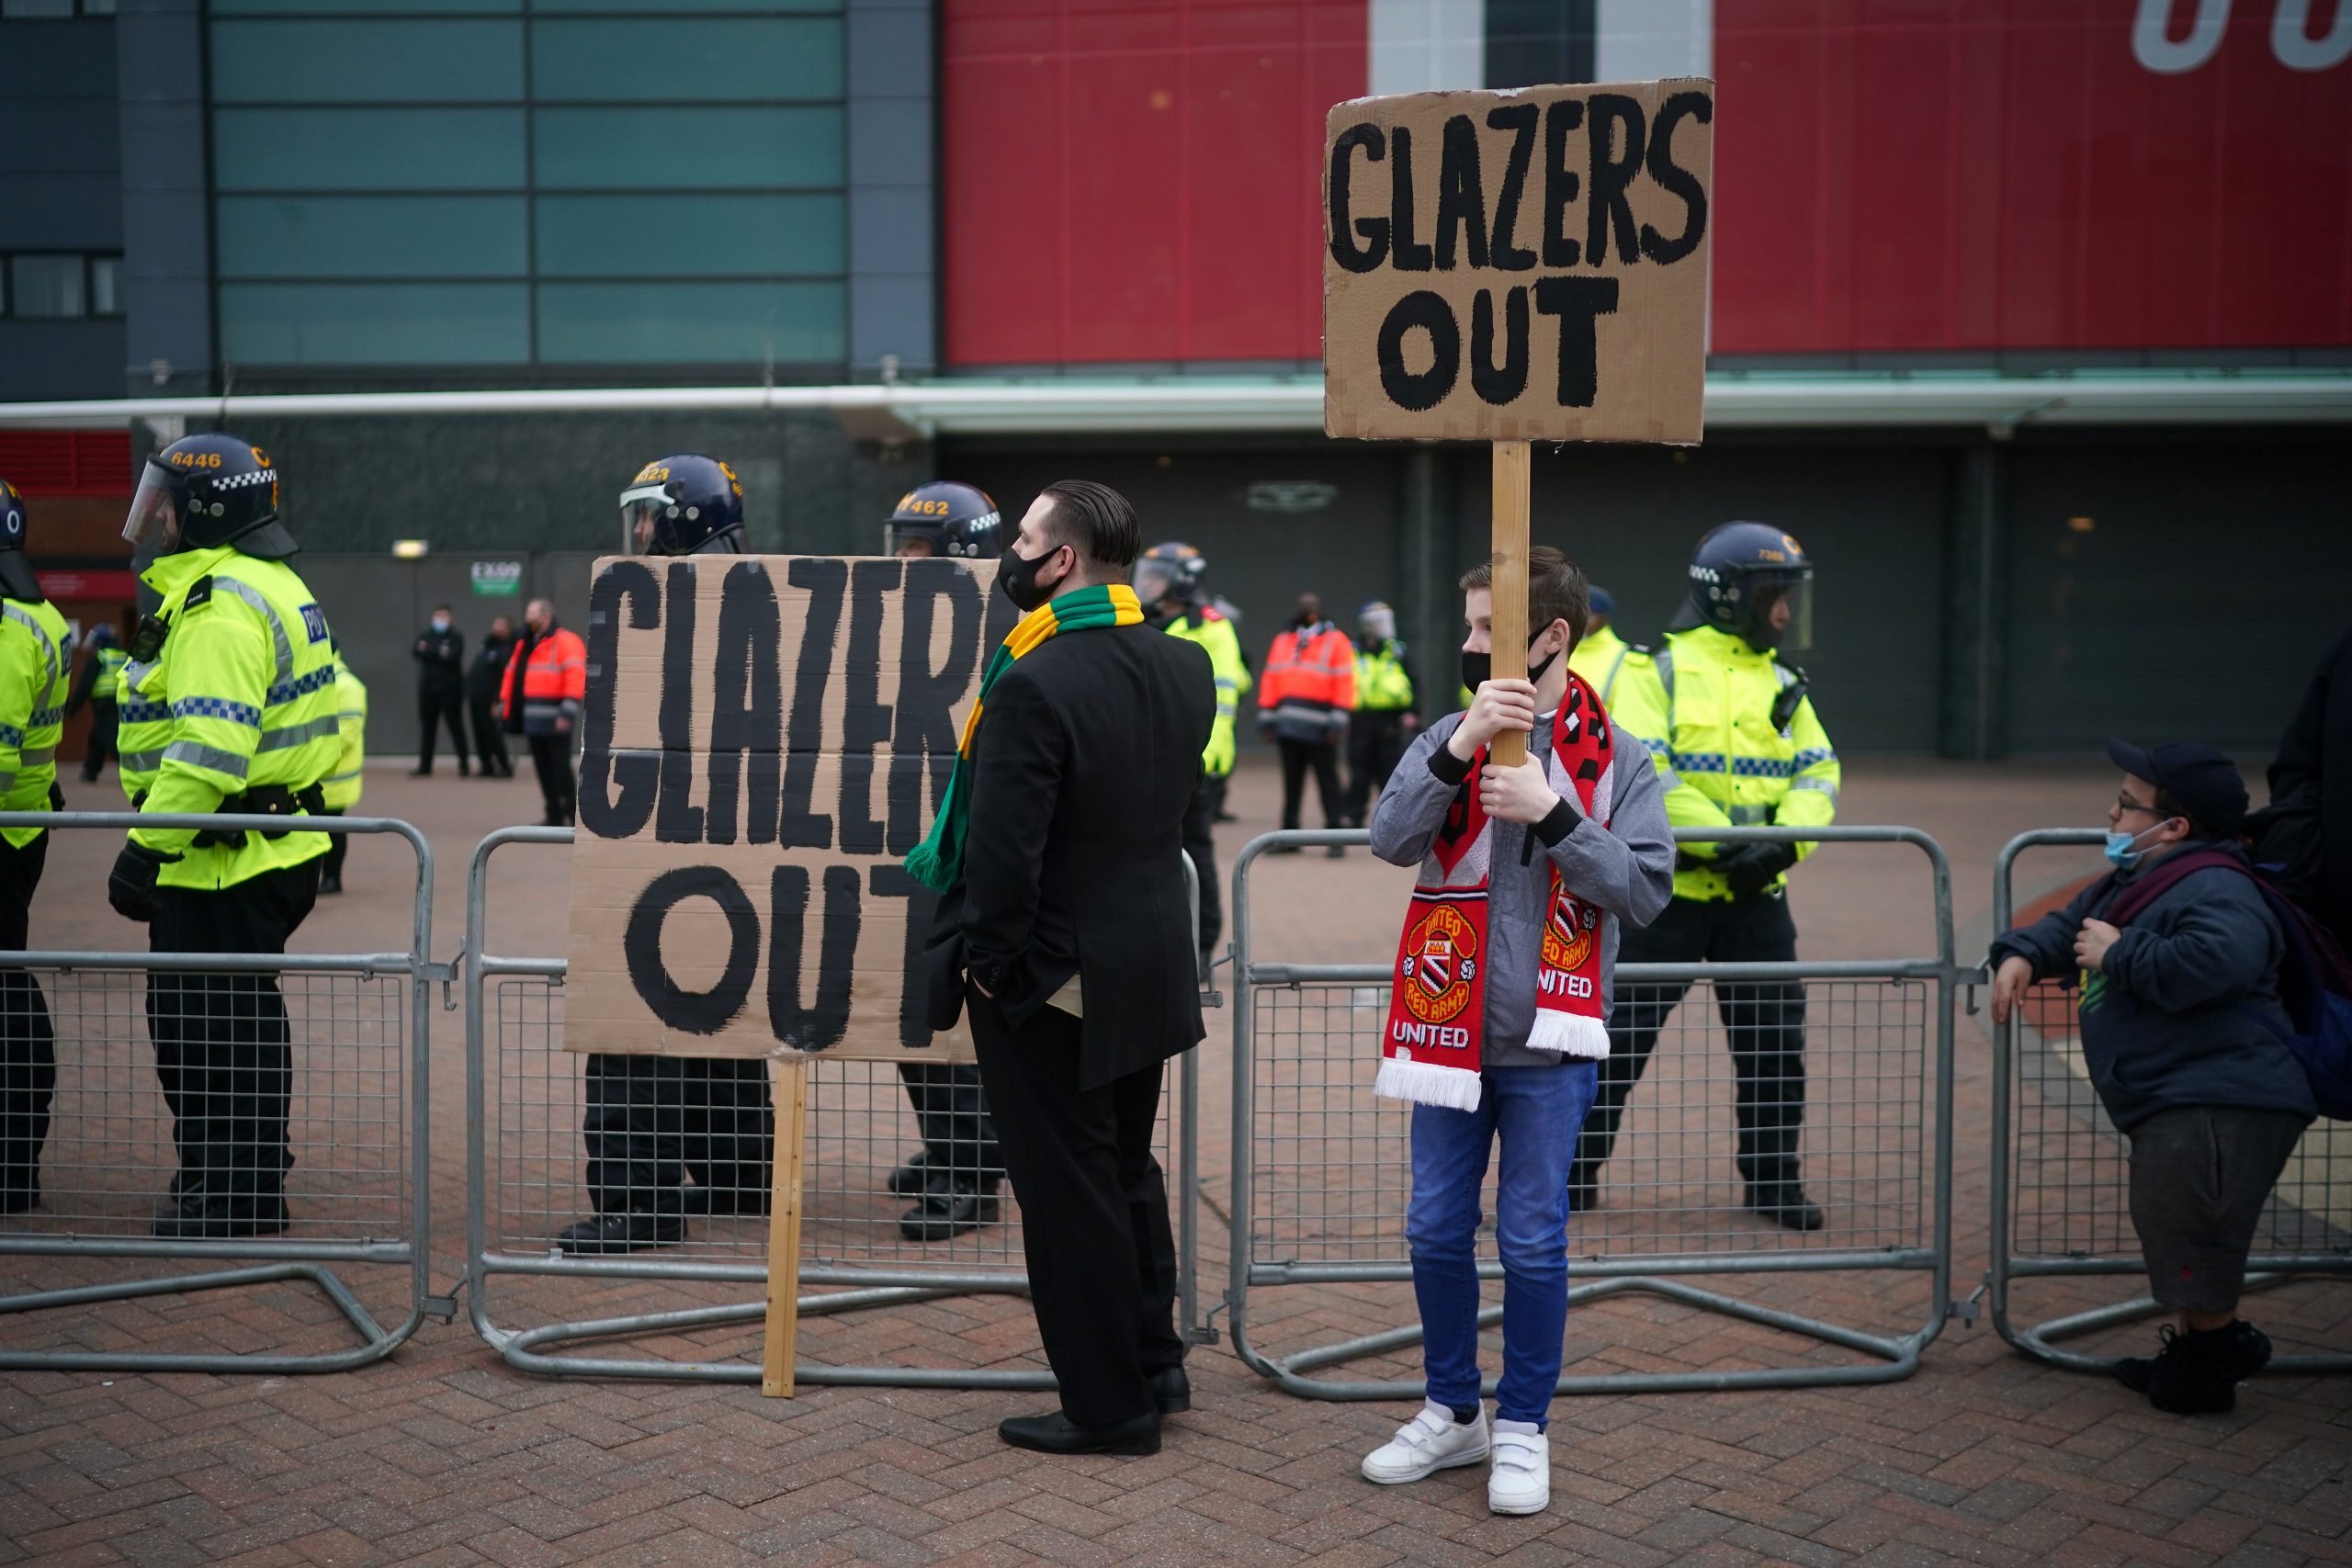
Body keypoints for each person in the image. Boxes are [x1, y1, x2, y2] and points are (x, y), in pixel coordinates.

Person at [1361, 547, 1672, 1515]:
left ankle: (1525, 1426)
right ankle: (1454, 1412)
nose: (1463, 645)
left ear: (1549, 638)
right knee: (1432, 1230)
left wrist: (1556, 815)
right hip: (1445, 1040)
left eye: (1481, 629)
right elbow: (1388, 838)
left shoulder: (1620, 759)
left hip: (1549, 1049)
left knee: (1534, 1243)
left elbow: (1646, 892)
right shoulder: (1447, 734)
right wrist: (1456, 755)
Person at [909, 479, 1214, 1456]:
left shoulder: (1032, 679)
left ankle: (1106, 1403)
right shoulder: (1185, 664)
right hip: (1148, 961)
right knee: (1124, 1166)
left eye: (1026, 537)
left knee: (1069, 1189)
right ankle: (1152, 1363)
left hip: (1054, 973)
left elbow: (1006, 856)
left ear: (1063, 562)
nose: (1011, 553)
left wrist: (993, 968)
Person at [1990, 740, 2314, 1416]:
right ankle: (2206, 1354)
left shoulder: (2216, 883)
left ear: (2176, 826)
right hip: (2179, 1095)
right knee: (2180, 1227)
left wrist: (2122, 951)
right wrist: (2023, 952)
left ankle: (2212, 1362)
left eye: (2128, 803)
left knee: (2196, 1235)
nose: (2111, 811)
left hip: (2220, 1097)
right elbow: (2072, 924)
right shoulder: (2137, 877)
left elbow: (2223, 959)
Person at [1571, 524, 1840, 1232]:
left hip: (1759, 899)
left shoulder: (1784, 679)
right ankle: (1570, 1175)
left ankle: (1775, 1181)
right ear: (1730, 596)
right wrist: (1727, 848)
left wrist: (1781, 849)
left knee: (1773, 1047)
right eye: (1774, 596)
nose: (1785, 612)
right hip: (1669, 896)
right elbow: (1650, 769)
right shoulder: (1651, 670)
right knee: (1615, 1041)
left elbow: (1819, 771)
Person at [105, 435, 342, 1240]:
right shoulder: (271, 583)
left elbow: (209, 751)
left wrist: (146, 847)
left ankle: (236, 1189)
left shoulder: (220, 603)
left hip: (222, 859)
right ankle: (230, 1173)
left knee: (206, 1030)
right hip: (262, 846)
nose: (155, 516)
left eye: (165, 502)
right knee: (231, 1020)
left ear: (206, 511)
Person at [554, 456, 774, 1254]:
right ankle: (739, 1173)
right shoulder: (754, 594)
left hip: (659, 842)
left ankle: (636, 1199)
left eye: (649, 517)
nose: (639, 532)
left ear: (684, 518)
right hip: (730, 846)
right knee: (720, 1015)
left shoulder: (672, 604)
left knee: (634, 1017)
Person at [881, 480, 1008, 1241]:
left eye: (918, 547)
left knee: (952, 1025)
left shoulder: (1005, 636)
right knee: (911, 1017)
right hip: (913, 847)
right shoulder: (895, 622)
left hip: (963, 850)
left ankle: (972, 1177)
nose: (901, 558)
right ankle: (946, 1150)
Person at [0, 478, 70, 1213]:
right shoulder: (37, 613)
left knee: (7, 996)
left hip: (6, 828)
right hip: (23, 825)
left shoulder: (6, 628)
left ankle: (12, 1160)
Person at [1135, 540, 1250, 968]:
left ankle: (1201, 945)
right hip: (1140, 761)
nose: (1145, 585)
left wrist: (1207, 758)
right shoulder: (1140, 622)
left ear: (1183, 583)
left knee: (1195, 853)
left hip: (1191, 762)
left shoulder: (1212, 629)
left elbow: (1223, 701)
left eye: (1156, 577)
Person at [1258, 592, 1355, 856]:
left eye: (1312, 605)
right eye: (1303, 605)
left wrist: (1338, 721)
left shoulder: (1336, 641)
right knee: (1291, 783)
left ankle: (1336, 837)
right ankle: (1290, 837)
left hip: (1322, 728)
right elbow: (1271, 677)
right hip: (1288, 726)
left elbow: (1345, 681)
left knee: (1328, 782)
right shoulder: (1284, 639)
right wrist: (1267, 717)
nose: (1307, 609)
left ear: (1321, 609)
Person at [501, 598, 584, 829]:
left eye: (532, 615)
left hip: (556, 718)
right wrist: (504, 705)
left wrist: (567, 712)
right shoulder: (526, 644)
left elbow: (576, 676)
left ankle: (573, 815)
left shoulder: (566, 642)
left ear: (545, 616)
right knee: (543, 770)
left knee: (560, 768)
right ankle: (553, 815)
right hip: (533, 720)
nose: (528, 620)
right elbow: (511, 675)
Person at [1343, 599, 1415, 829]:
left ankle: (1389, 820)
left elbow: (1414, 681)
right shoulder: (1352, 651)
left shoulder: (1396, 650)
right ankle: (1354, 818)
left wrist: (1413, 711)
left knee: (1389, 770)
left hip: (1389, 718)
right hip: (1360, 717)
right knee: (1359, 770)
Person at [316, 644, 366, 896]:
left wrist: (312, 756)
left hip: (335, 774)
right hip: (320, 772)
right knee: (319, 827)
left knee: (333, 827)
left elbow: (346, 733)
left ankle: (333, 878)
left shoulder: (345, 685)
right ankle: (326, 878)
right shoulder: (321, 676)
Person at [63, 615, 128, 781]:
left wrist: (72, 707)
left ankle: (127, 771)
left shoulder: (100, 658)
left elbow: (85, 684)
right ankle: (90, 771)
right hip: (120, 702)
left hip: (103, 704)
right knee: (97, 738)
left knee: (111, 738)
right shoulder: (123, 655)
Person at [411, 604, 469, 776]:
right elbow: (416, 650)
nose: (440, 619)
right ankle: (425, 766)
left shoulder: (456, 637)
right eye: (437, 615)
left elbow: (451, 657)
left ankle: (464, 764)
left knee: (456, 727)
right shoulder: (425, 634)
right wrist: (438, 652)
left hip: (450, 690)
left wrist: (429, 650)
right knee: (428, 728)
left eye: (444, 616)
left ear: (450, 618)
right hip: (428, 689)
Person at [467, 615, 516, 780]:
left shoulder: (508, 649)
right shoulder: (487, 645)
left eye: (501, 625)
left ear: (508, 629)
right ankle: (486, 765)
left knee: (493, 733)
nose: (497, 628)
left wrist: (497, 701)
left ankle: (504, 766)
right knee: (479, 733)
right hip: (476, 696)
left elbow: (504, 678)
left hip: (491, 699)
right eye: (496, 624)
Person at [1565, 586, 1634, 702]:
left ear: (1603, 618)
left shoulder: (1623, 656)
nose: (1578, 619)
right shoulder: (1555, 649)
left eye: (1587, 614)